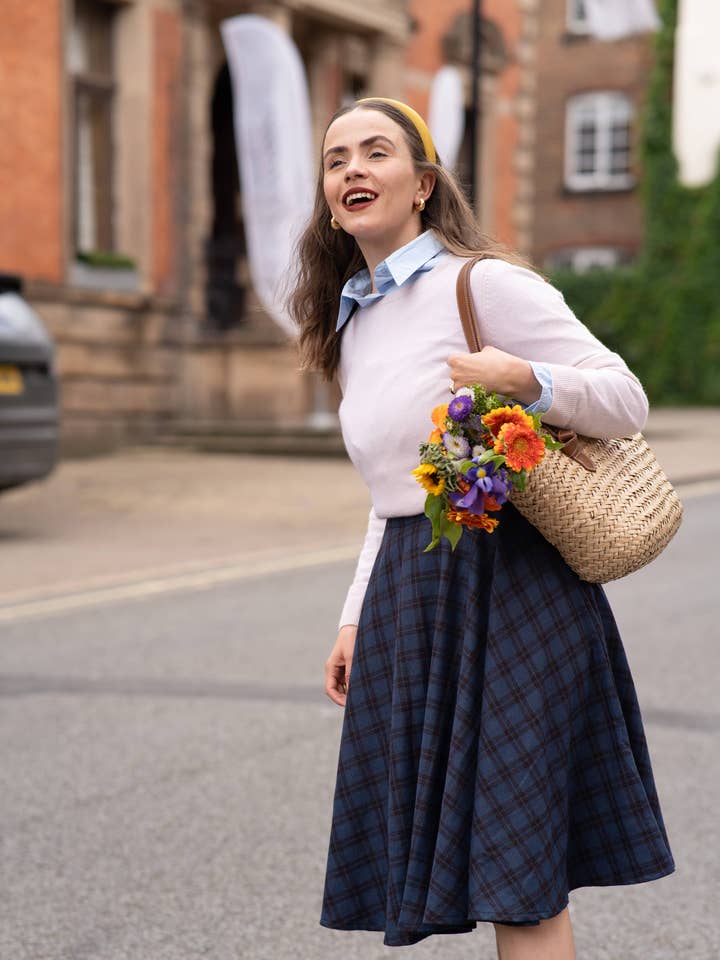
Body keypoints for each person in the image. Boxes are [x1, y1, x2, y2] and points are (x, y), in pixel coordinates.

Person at [288, 97, 675, 960]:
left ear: (423, 184)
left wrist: (526, 379)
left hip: (515, 592)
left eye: (376, 152)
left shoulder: (482, 284)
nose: (353, 170)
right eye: (336, 159)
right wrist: (354, 616)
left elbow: (626, 399)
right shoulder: (353, 322)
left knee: (519, 879)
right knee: (486, 864)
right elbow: (392, 490)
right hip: (413, 596)